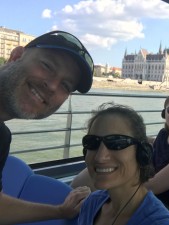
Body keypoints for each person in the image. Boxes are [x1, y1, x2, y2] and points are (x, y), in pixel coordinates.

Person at [0, 30, 94, 224]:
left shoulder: (2, 137)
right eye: (47, 66)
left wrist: (60, 211)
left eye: (66, 86)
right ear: (16, 56)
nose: (52, 86)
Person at [71, 92, 169, 217]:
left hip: (164, 204)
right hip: (144, 186)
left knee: (103, 180)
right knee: (82, 179)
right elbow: (152, 141)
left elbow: (153, 187)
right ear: (164, 113)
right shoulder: (163, 135)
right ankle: (69, 208)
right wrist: (122, 139)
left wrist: (116, 183)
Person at [77, 102, 169, 225]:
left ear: (143, 153)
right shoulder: (91, 204)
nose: (100, 157)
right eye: (92, 143)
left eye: (117, 143)